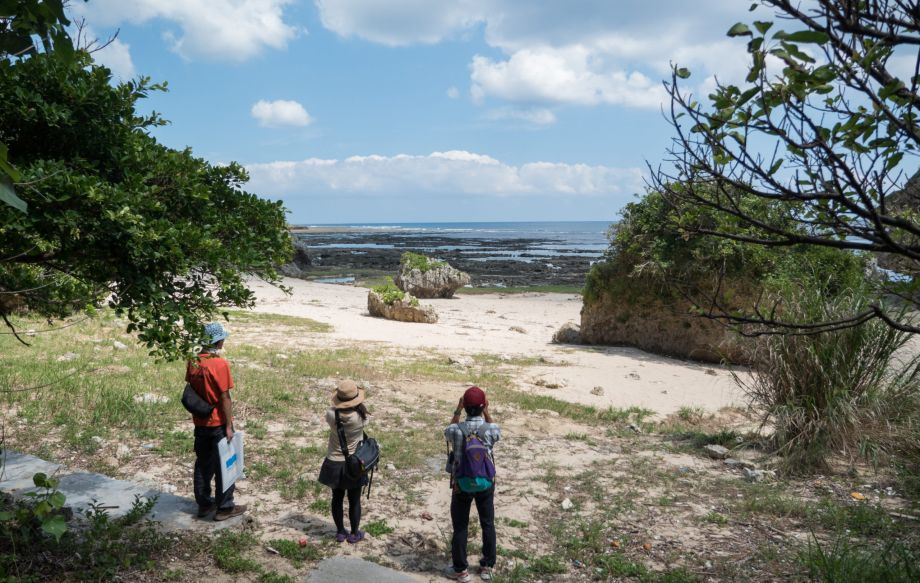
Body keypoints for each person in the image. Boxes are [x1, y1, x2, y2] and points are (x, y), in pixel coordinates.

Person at [185, 322, 246, 521]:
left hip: (200, 421)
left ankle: (204, 505)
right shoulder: (219, 364)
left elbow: (192, 388)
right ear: (218, 342)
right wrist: (229, 426)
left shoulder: (193, 361)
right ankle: (225, 507)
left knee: (203, 464)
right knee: (225, 465)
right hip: (218, 422)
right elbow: (224, 397)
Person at [445, 386, 501, 582]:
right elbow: (496, 434)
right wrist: (487, 412)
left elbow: (448, 433)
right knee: (487, 524)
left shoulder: (456, 430)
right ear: (483, 405)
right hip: (485, 483)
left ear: (465, 406)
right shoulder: (490, 429)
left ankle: (461, 571)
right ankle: (487, 567)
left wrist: (457, 410)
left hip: (461, 484)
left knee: (460, 526)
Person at [318, 379, 370, 543]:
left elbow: (333, 409)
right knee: (354, 500)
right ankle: (355, 533)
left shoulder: (330, 415)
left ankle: (340, 531)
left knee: (337, 498)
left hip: (334, 461)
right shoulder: (360, 418)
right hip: (354, 463)